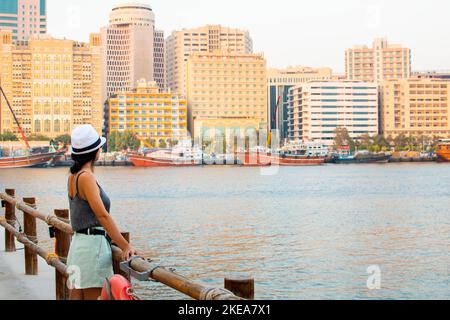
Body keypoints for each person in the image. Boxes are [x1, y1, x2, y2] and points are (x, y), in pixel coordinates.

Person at [66, 125, 136, 300]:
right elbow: (102, 215)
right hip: (92, 249)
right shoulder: (86, 177)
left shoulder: (73, 176)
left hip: (78, 245)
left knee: (76, 296)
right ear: (95, 152)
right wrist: (124, 245)